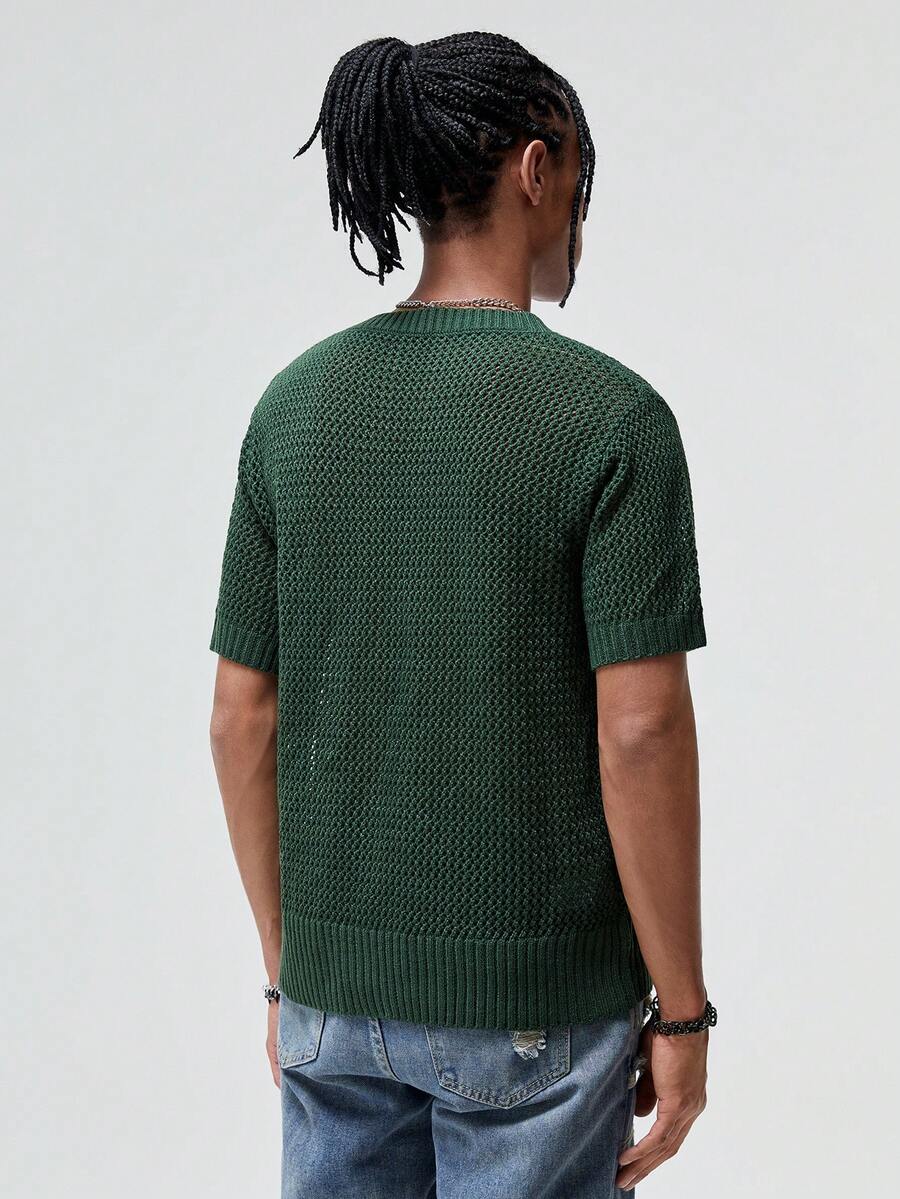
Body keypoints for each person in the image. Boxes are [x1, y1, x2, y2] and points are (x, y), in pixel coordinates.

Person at [209, 31, 715, 1199]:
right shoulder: (612, 418)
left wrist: (295, 972)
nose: (580, 204)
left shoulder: (294, 407)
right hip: (536, 1014)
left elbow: (241, 717)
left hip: (331, 1006)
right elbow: (641, 730)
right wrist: (684, 1014)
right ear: (537, 168)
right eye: (578, 173)